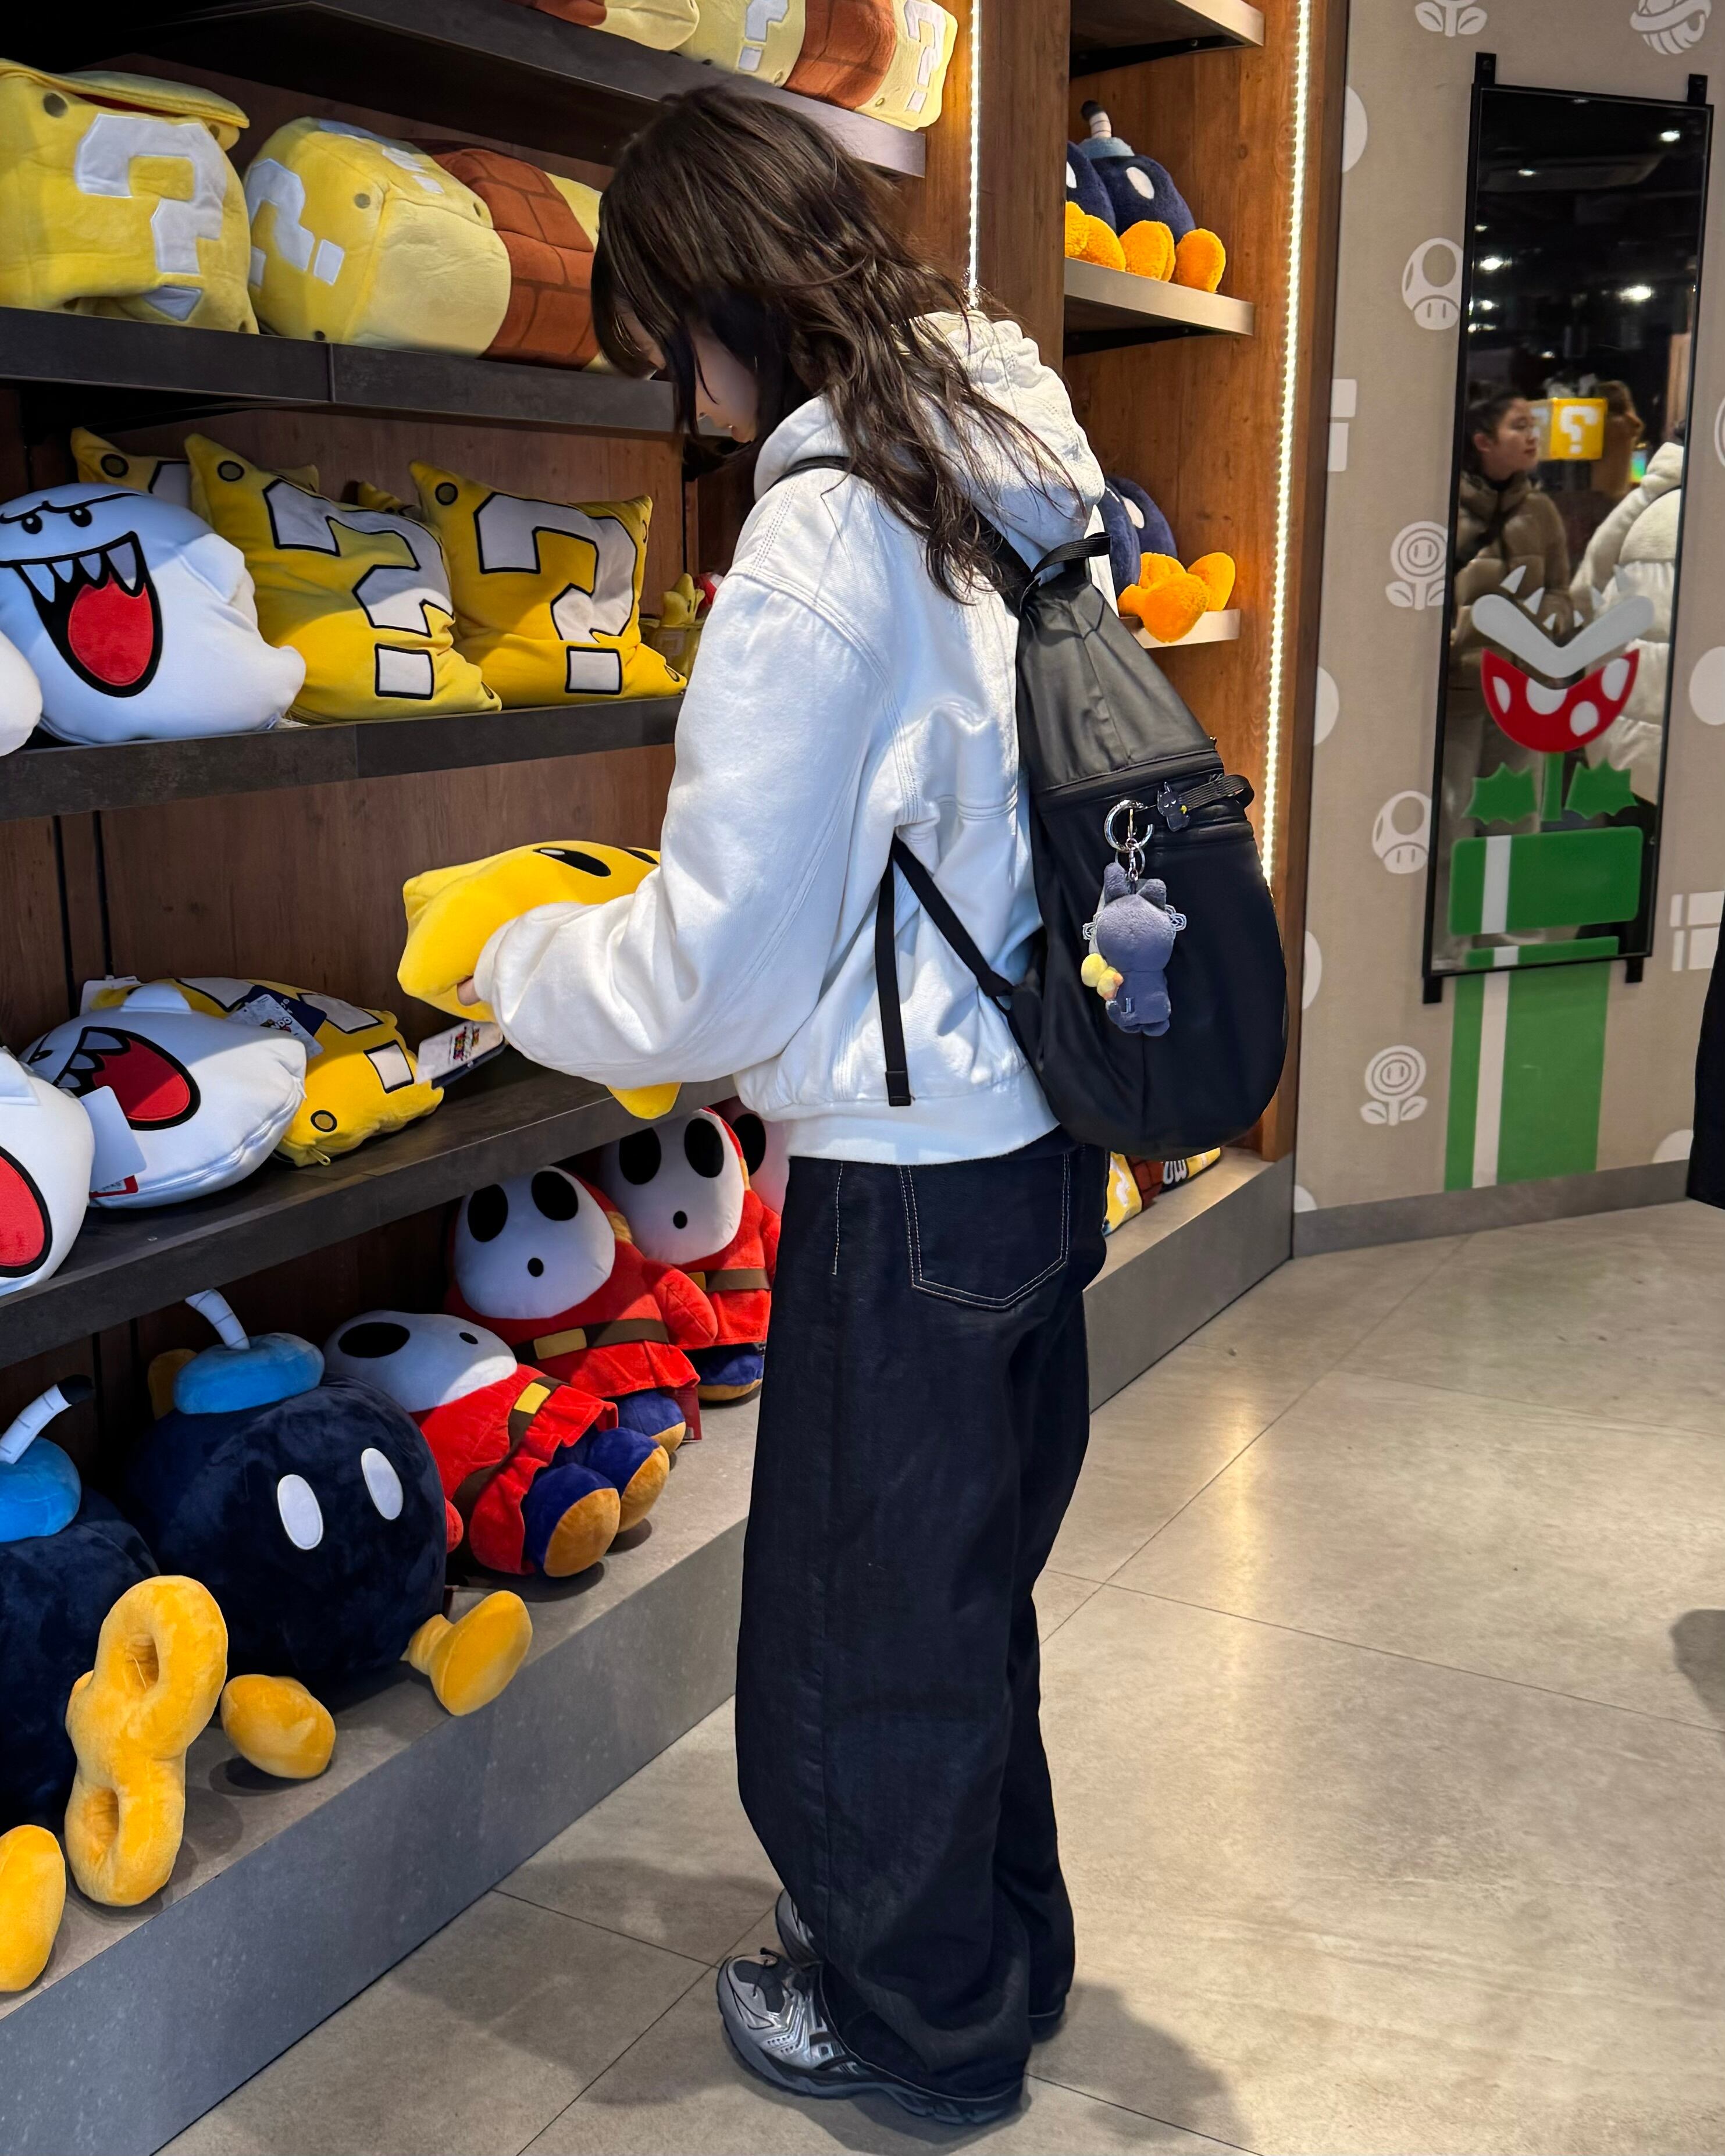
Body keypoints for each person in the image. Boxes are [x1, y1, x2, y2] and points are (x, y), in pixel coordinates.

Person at [462, 87, 1110, 2126]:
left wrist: (504, 960)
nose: (686, 399)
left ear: (706, 304)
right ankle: (1000, 1955)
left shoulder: (820, 536)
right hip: (1043, 1126)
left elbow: (717, 972)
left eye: (668, 347)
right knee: (961, 1600)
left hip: (900, 1178)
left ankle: (917, 2028)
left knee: (855, 1641)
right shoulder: (1005, 453)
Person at [1432, 391, 1575, 961]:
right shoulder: (1441, 505)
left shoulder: (1541, 511)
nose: (1532, 435)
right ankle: (1444, 952)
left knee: (1516, 826)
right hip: (1459, 694)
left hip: (1523, 696)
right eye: (1519, 425)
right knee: (1449, 828)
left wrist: (1547, 624)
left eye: (1532, 425)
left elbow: (1561, 590)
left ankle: (1509, 949)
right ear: (1483, 441)